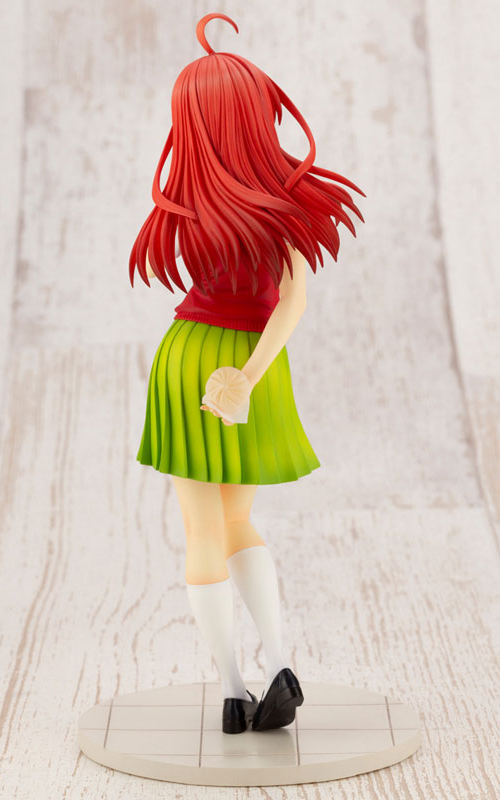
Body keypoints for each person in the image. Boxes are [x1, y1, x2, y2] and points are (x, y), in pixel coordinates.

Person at [129, 12, 365, 735]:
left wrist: (238, 378)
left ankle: (233, 692)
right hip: (253, 361)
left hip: (188, 358)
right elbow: (292, 302)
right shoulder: (285, 202)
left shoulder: (184, 204)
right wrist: (251, 376)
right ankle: (280, 664)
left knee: (202, 530)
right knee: (238, 522)